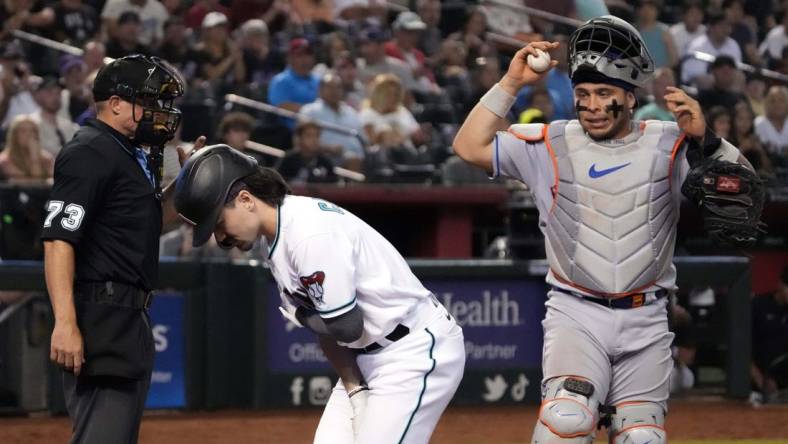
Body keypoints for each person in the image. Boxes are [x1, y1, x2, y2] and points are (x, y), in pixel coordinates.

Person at [453, 15, 754, 443]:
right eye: (583, 93)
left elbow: (742, 188)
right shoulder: (548, 144)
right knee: (566, 423)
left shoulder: (671, 141)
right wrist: (510, 83)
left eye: (605, 93)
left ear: (630, 98)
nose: (592, 105)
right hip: (576, 313)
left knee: (642, 439)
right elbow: (468, 146)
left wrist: (706, 140)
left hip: (647, 315)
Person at [173, 144, 465, 443]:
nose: (221, 238)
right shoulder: (277, 239)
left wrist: (301, 316)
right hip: (366, 360)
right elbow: (331, 334)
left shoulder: (308, 234)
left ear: (246, 199)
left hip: (413, 351)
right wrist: (356, 390)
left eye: (219, 223)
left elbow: (346, 327)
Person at [41, 54, 202, 444]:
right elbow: (59, 239)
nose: (158, 112)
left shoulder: (128, 153)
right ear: (115, 104)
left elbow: (147, 222)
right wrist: (65, 322)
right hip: (101, 318)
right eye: (148, 102)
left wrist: (188, 181)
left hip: (129, 318)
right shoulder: (90, 151)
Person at [301, 72, 365, 171]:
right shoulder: (310, 111)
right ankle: (354, 186)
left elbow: (363, 139)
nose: (334, 91)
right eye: (330, 87)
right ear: (320, 90)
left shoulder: (352, 112)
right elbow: (302, 141)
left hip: (359, 157)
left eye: (338, 87)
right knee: (353, 159)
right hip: (325, 157)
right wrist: (328, 148)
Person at [751, 266, 788, 404]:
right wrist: (760, 380)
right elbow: (741, 349)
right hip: (757, 381)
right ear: (780, 285)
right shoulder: (758, 306)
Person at [267, 37, 319, 128]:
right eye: (300, 55)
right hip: (291, 133)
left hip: (320, 130)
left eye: (309, 54)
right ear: (290, 58)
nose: (306, 59)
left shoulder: (318, 80)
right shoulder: (281, 81)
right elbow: (283, 107)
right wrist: (316, 112)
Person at [681, 13, 742, 87]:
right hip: (698, 87)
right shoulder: (697, 45)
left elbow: (735, 70)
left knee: (740, 78)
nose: (725, 29)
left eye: (728, 26)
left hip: (727, 86)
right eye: (721, 25)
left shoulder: (734, 45)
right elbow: (697, 76)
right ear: (711, 27)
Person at [29, 76, 79, 157]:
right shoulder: (32, 124)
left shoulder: (69, 125)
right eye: (49, 92)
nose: (55, 97)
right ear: (38, 95)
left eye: (58, 93)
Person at [0, 115, 53, 181]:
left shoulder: (46, 159)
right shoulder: (4, 160)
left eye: (33, 131)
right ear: (14, 135)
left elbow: (54, 183)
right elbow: (32, 186)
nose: (29, 134)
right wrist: (34, 160)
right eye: (23, 131)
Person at [754, 86, 788, 157]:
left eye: (781, 100)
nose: (777, 104)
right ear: (766, 103)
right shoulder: (759, 123)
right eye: (773, 101)